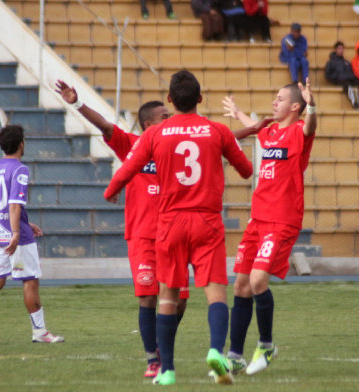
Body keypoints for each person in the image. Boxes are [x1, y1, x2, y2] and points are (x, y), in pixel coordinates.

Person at [103, 70, 267, 385]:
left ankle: (166, 371)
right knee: (215, 292)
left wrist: (110, 192)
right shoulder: (217, 131)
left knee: (167, 295)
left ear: (170, 99)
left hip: (169, 223)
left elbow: (127, 170)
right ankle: (216, 351)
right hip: (207, 221)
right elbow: (247, 171)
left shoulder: (154, 134)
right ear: (200, 99)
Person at [54, 80, 189, 378]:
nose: (170, 119)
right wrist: (77, 103)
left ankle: (162, 344)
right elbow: (104, 125)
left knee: (179, 301)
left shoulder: (178, 147)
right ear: (147, 123)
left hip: (174, 233)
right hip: (142, 235)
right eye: (164, 117)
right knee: (148, 297)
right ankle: (153, 358)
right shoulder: (132, 145)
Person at [222, 79, 316, 375]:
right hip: (257, 220)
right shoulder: (270, 131)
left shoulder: (299, 132)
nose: (274, 103)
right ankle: (235, 354)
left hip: (281, 221)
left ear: (295, 107)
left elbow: (311, 126)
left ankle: (266, 346)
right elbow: (254, 125)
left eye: (279, 99)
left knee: (258, 282)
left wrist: (312, 106)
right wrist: (238, 113)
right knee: (239, 285)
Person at [0, 125, 64, 344]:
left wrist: (27, 223)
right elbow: (12, 204)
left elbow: (5, 206)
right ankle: (40, 332)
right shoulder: (20, 169)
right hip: (15, 238)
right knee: (30, 281)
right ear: (21, 143)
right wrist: (18, 232)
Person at [325, 41, 359, 110]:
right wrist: (336, 77)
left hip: (351, 79)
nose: (341, 50)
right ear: (335, 50)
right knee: (348, 87)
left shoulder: (346, 62)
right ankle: (355, 105)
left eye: (342, 49)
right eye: (339, 48)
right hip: (341, 80)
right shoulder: (331, 62)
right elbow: (327, 75)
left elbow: (352, 72)